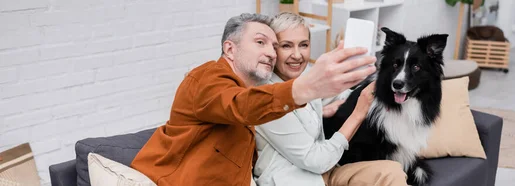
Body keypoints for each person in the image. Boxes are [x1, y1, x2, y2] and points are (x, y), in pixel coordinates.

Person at [130, 13, 377, 186]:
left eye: (273, 45)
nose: (271, 52)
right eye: (261, 42)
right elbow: (238, 105)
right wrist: (305, 88)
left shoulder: (254, 90)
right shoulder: (206, 78)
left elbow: (253, 109)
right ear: (230, 49)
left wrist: (319, 108)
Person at [252, 12, 408, 186]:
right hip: (294, 179)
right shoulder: (266, 97)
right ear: (273, 50)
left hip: (329, 171)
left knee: (391, 172)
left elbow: (333, 93)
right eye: (286, 46)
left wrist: (329, 107)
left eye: (303, 45)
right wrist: (358, 114)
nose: (297, 55)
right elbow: (316, 161)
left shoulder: (304, 74)